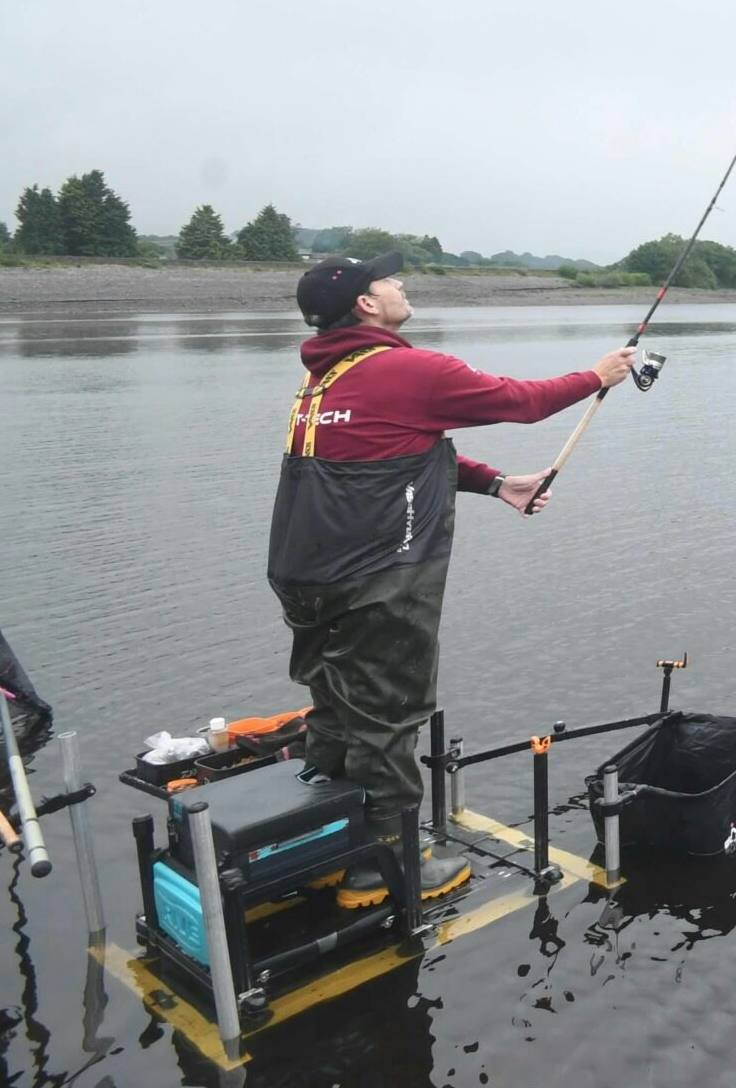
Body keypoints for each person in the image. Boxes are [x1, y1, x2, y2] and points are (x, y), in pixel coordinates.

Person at [269, 251, 637, 908]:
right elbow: (522, 403)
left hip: (306, 579)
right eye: (388, 280)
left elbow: (405, 448)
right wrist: (597, 374)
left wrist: (496, 483)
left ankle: (328, 841)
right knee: (388, 713)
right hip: (376, 583)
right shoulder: (409, 369)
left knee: (336, 708)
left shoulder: (322, 382)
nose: (400, 284)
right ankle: (388, 862)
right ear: (366, 305)